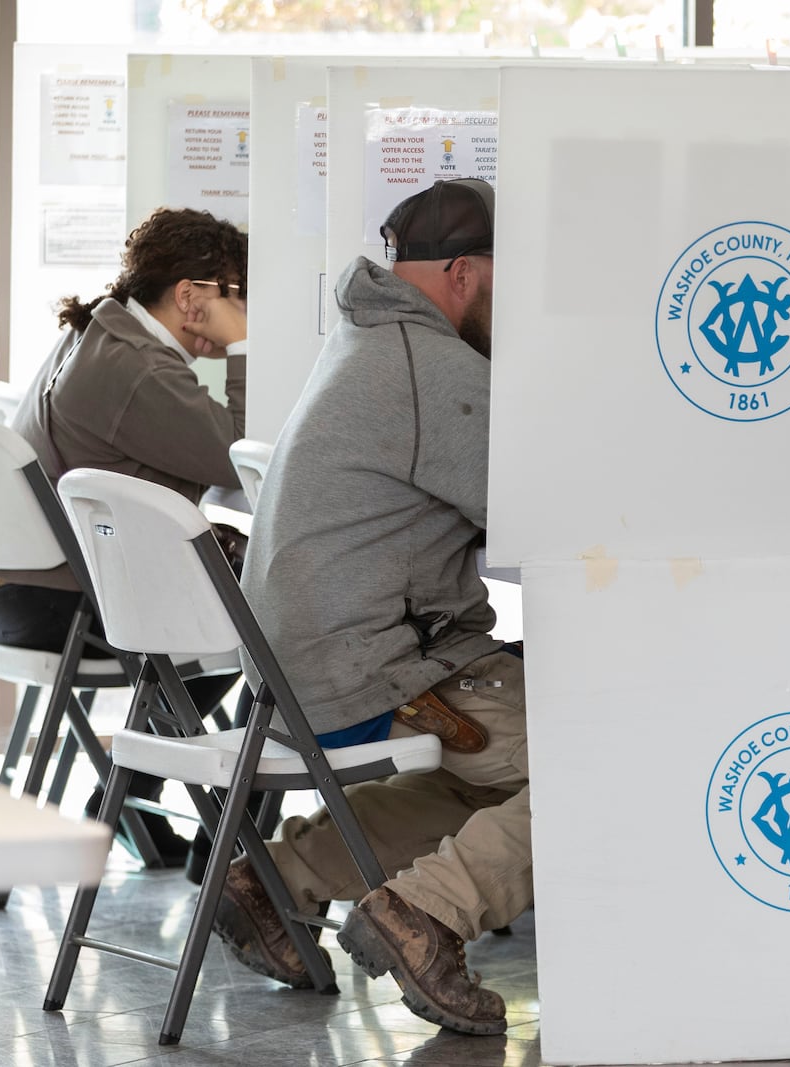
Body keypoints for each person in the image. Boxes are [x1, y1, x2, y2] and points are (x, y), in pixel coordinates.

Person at [213, 178, 523, 1036]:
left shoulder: (365, 338)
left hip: (300, 676)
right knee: (598, 759)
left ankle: (277, 878)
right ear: (464, 272)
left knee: (483, 786)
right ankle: (424, 912)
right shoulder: (437, 370)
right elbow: (543, 515)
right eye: (511, 277)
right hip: (377, 674)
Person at [0, 206, 251, 866]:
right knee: (266, 614)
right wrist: (245, 346)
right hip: (57, 602)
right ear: (191, 295)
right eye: (235, 295)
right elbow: (240, 450)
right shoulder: (141, 370)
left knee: (232, 604)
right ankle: (231, 855)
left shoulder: (101, 331)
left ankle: (131, 801)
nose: (242, 311)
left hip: (18, 589)